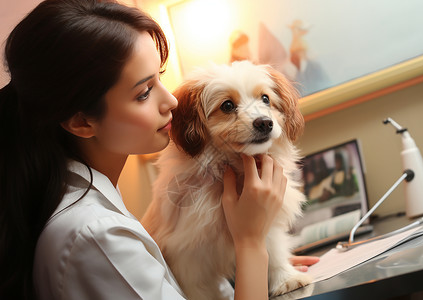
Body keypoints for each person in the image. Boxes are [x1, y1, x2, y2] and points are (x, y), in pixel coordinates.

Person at [0, 1, 317, 299]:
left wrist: (254, 265)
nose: (173, 102)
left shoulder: (92, 212)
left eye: (160, 78)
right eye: (143, 92)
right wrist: (250, 244)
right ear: (81, 121)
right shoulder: (96, 237)